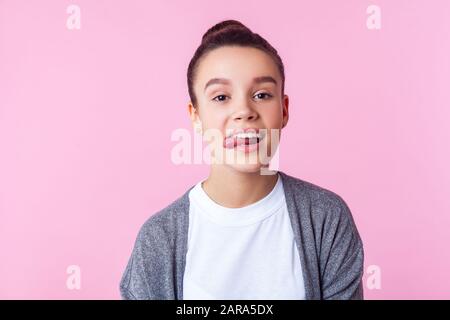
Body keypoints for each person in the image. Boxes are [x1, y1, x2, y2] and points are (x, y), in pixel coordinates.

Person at [119, 19, 364, 300]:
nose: (244, 111)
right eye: (221, 97)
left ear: (284, 110)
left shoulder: (325, 218)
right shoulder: (159, 240)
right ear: (195, 117)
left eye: (262, 95)